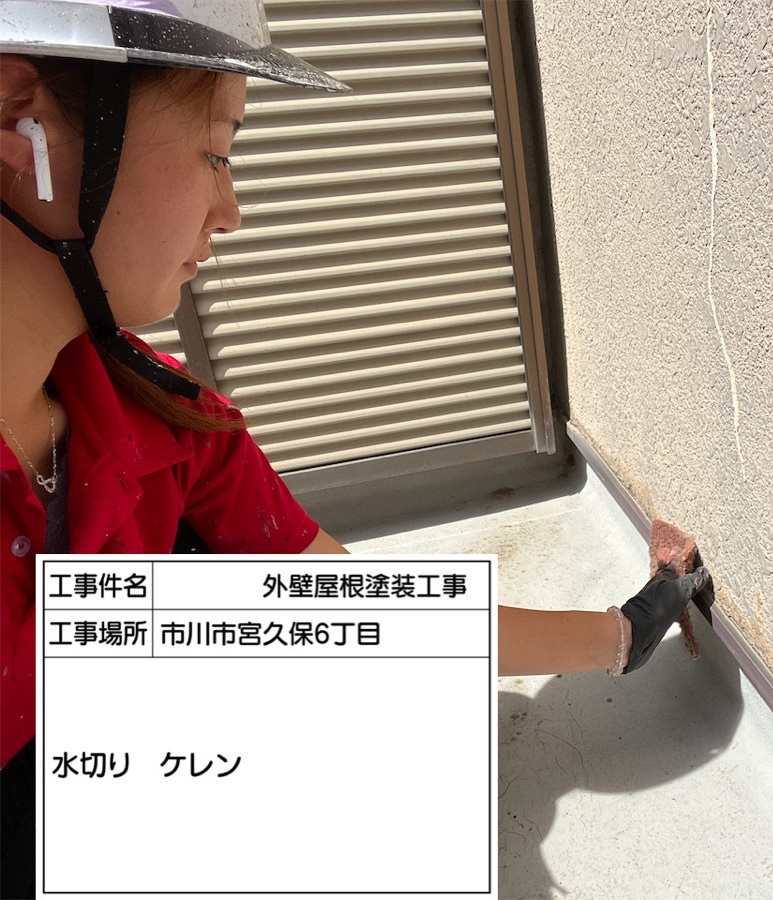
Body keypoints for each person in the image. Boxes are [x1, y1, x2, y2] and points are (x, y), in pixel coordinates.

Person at [0, 1, 709, 896]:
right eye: (216, 151)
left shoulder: (163, 423)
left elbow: (352, 610)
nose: (231, 211)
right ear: (18, 117)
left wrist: (629, 628)